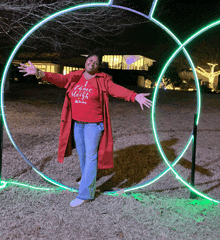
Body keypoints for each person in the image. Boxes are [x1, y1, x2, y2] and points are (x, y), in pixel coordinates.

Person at [18, 49, 152, 207]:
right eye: (90, 61)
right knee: (82, 155)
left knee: (90, 157)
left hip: (93, 125)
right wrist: (39, 72)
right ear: (85, 61)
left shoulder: (102, 80)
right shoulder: (75, 76)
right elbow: (59, 79)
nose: (92, 64)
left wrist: (134, 96)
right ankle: (87, 179)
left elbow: (116, 90)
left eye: (95, 63)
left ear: (98, 66)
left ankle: (85, 194)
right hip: (77, 124)